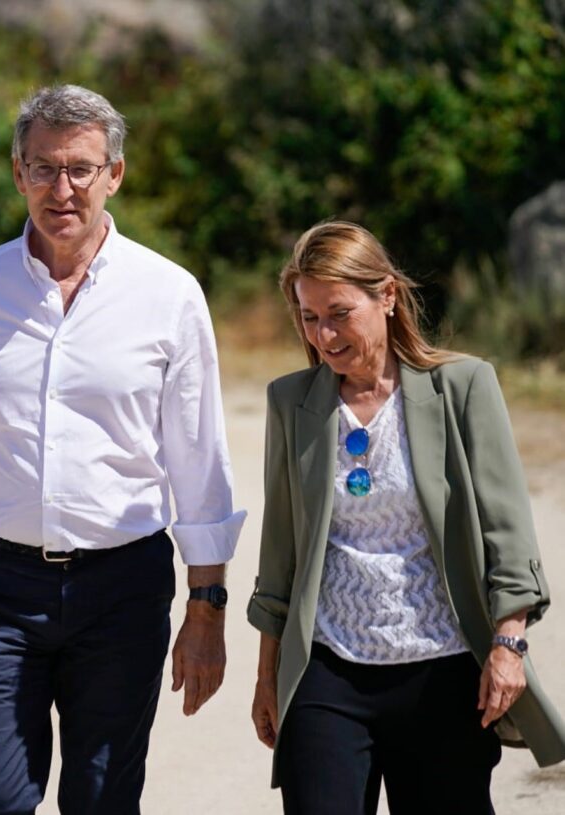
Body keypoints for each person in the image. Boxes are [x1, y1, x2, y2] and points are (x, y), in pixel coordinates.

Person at [0, 84, 246, 814]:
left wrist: (206, 608)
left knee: (104, 800)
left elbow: (199, 463)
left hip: (125, 587)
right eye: (43, 168)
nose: (62, 188)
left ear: (115, 173)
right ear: (17, 173)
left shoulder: (168, 293)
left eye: (81, 168)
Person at [247, 220, 565, 814]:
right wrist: (269, 675)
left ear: (387, 296)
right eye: (309, 317)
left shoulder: (462, 387)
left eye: (339, 312)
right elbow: (281, 554)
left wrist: (508, 644)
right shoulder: (291, 403)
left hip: (443, 675)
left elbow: (507, 531)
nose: (323, 334)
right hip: (328, 673)